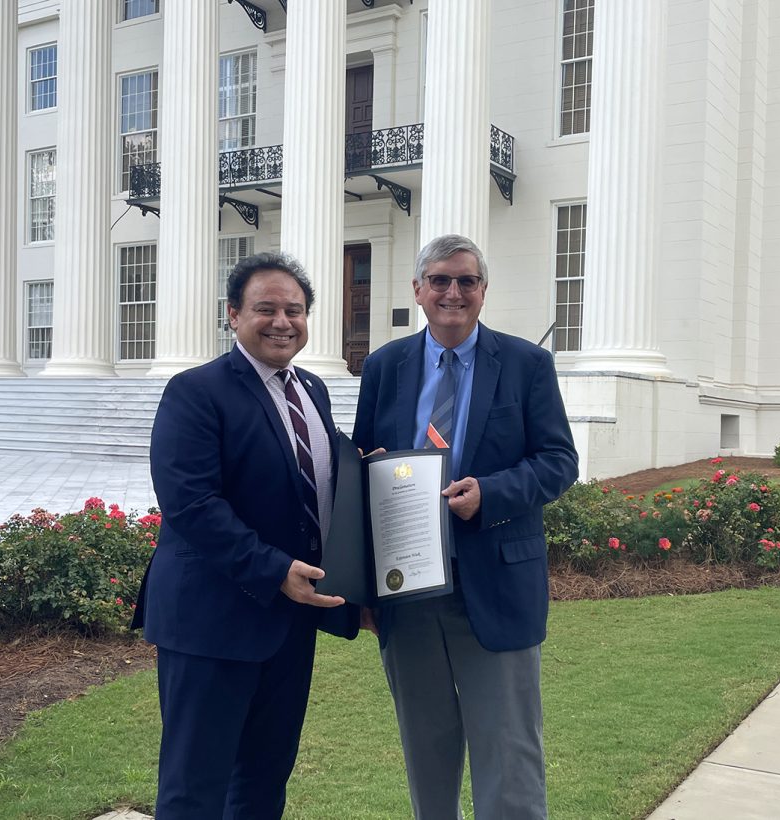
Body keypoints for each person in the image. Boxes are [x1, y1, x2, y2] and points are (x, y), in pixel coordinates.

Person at [353, 234, 579, 819]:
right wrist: (361, 584)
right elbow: (361, 470)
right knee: (426, 749)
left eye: (467, 281)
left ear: (483, 291)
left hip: (496, 583)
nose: (453, 292)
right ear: (418, 290)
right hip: (408, 591)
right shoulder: (384, 366)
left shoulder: (527, 363)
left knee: (508, 753)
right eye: (440, 280)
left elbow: (559, 461)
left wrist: (492, 494)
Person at [132, 251, 358, 819]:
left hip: (288, 625)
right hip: (212, 623)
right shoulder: (196, 391)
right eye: (266, 308)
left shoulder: (311, 389)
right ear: (233, 315)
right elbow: (191, 503)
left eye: (295, 310)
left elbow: (316, 477)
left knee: (263, 780)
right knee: (195, 787)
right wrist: (274, 569)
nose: (283, 321)